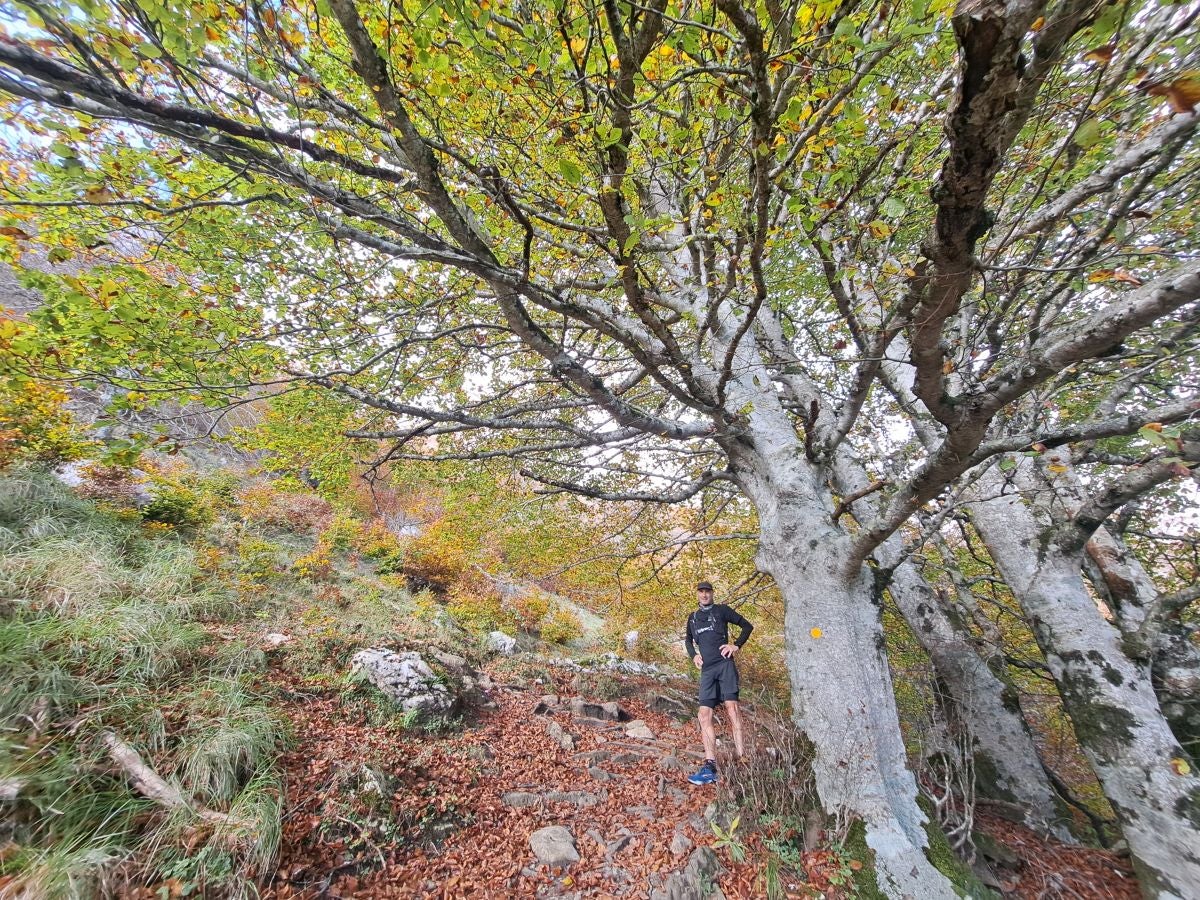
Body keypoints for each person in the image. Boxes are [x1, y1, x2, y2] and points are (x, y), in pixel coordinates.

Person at [684, 580, 753, 786]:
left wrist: (736, 646)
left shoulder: (722, 611)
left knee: (733, 709)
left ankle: (743, 759)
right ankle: (710, 765)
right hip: (707, 671)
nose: (704, 595)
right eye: (701, 592)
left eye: (707, 591)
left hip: (725, 666)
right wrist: (693, 655)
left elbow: (747, 626)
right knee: (703, 714)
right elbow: (688, 640)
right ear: (697, 594)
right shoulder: (693, 617)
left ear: (712, 593)